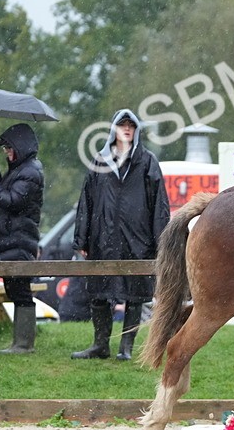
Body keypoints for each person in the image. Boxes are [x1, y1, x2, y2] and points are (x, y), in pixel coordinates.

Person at [71, 109, 170, 361]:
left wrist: (162, 241)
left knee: (135, 294)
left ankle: (125, 347)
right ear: (113, 129)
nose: (127, 129)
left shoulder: (147, 162)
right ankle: (100, 344)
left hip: (137, 239)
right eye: (122, 125)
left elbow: (159, 205)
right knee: (99, 292)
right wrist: (81, 239)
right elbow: (86, 202)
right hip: (102, 239)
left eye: (131, 126)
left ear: (136, 130)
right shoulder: (99, 161)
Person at [0, 122, 45, 354]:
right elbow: (6, 194)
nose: (5, 151)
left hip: (18, 241)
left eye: (8, 147)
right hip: (10, 241)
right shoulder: (21, 170)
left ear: (20, 146)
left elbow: (13, 202)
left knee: (20, 292)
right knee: (15, 290)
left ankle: (24, 344)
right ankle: (21, 342)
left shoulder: (30, 171)